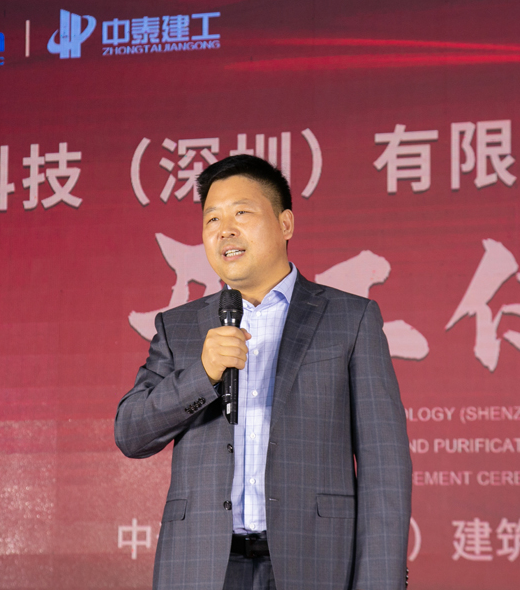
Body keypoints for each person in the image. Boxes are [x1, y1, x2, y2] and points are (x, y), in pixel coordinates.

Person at [115, 155, 411, 590]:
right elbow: (131, 433)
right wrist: (202, 374)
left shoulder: (349, 319)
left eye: (241, 213)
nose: (224, 230)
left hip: (314, 564)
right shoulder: (179, 328)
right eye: (212, 218)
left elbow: (384, 467)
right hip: (202, 569)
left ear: (285, 224)